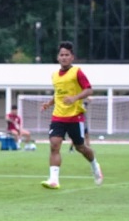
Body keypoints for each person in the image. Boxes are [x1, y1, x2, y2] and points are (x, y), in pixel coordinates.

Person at [40, 41, 103, 189]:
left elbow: (89, 90)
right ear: (58, 57)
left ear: (72, 57)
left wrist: (74, 98)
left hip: (75, 116)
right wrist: (49, 103)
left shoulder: (77, 72)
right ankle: (54, 180)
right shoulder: (54, 75)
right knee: (54, 145)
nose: (64, 57)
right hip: (58, 116)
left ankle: (95, 165)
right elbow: (59, 94)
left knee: (80, 147)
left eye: (67, 55)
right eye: (61, 55)